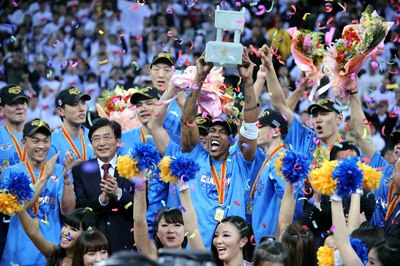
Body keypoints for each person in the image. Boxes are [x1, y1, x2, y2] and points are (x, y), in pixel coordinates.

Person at [167, 49, 259, 248]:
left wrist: (248, 81)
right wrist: (199, 76)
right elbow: (187, 121)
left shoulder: (239, 160)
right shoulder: (196, 157)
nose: (215, 134)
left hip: (232, 251)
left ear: (231, 139)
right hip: (198, 251)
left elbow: (251, 126)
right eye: (211, 130)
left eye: (222, 131)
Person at [0, 118, 76, 265]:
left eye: (45, 141)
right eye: (35, 140)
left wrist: (67, 179)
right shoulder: (10, 173)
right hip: (17, 256)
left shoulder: (61, 171)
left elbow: (68, 211)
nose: (41, 146)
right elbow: (18, 209)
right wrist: (45, 176)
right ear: (24, 142)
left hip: (51, 254)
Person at [259, 43, 343, 161]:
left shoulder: (348, 151)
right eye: (315, 115)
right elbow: (279, 105)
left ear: (339, 118)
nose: (318, 119)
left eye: (324, 114)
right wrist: (269, 66)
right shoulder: (305, 137)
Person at [120, 86, 177, 233]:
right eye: (139, 105)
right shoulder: (124, 138)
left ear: (161, 106)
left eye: (149, 103)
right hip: (130, 215)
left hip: (164, 220)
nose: (143, 108)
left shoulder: (171, 138)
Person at [72, 118, 134, 254]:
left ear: (117, 141)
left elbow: (143, 206)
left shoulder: (133, 167)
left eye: (107, 137)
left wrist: (118, 193)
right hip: (94, 247)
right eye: (96, 139)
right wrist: (102, 200)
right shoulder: (80, 171)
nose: (102, 143)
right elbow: (80, 209)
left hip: (127, 244)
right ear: (91, 144)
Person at [247, 108, 303, 243]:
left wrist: (280, 240)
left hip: (274, 242)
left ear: (276, 131)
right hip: (264, 240)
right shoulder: (270, 159)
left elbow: (288, 201)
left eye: (260, 127)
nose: (256, 131)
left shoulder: (282, 159)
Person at [0, 84, 30, 258]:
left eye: (23, 102)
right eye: (13, 103)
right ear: (2, 109)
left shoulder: (39, 134)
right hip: (5, 211)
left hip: (36, 206)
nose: (20, 107)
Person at [16, 208, 98, 266]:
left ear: (87, 234)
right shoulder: (54, 252)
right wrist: (18, 205)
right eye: (65, 226)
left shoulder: (91, 261)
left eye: (73, 229)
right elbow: (33, 233)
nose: (65, 232)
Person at [48, 86, 94, 164]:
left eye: (83, 103)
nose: (82, 108)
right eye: (75, 104)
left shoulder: (94, 136)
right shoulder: (52, 142)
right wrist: (66, 172)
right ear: (61, 111)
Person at [148, 52, 184, 144]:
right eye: (156, 69)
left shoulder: (183, 101)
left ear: (175, 74)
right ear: (149, 72)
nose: (161, 75)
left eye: (167, 70)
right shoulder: (139, 100)